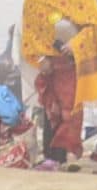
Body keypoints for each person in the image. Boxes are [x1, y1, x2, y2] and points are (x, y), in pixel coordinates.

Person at [33, 18, 82, 163]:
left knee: (70, 113)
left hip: (70, 71)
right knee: (52, 111)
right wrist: (42, 58)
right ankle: (53, 153)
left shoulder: (79, 13)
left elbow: (90, 39)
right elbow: (33, 38)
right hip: (53, 72)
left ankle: (66, 152)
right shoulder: (42, 12)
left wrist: (74, 47)